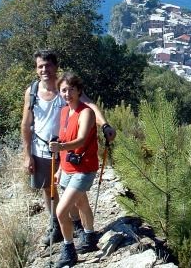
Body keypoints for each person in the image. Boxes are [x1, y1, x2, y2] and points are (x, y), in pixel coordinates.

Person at [20, 50, 116, 247]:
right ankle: (55, 225)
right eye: (40, 66)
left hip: (67, 150)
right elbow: (26, 124)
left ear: (55, 67)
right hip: (41, 148)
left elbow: (90, 107)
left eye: (48, 65)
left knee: (74, 192)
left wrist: (105, 125)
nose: (44, 70)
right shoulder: (32, 92)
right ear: (36, 69)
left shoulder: (65, 90)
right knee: (48, 189)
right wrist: (27, 154)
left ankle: (79, 227)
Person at [49, 72, 99, 267]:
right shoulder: (64, 112)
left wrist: (60, 148)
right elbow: (63, 140)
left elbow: (81, 139)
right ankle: (90, 236)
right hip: (68, 167)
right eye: (63, 90)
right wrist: (60, 168)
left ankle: (69, 251)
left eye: (71, 89)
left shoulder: (86, 112)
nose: (67, 93)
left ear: (79, 90)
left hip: (84, 167)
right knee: (80, 204)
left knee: (62, 212)